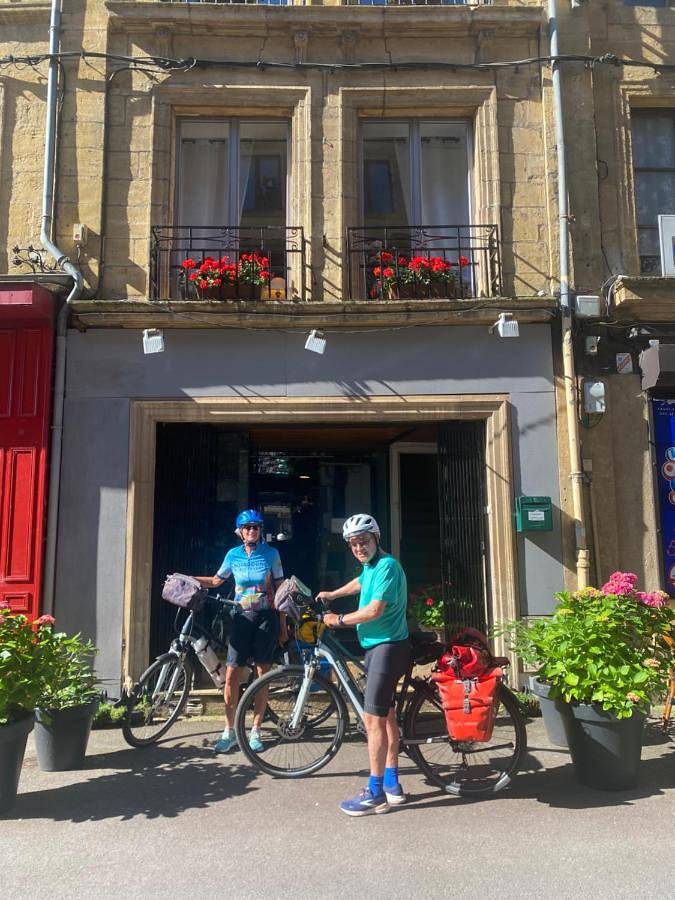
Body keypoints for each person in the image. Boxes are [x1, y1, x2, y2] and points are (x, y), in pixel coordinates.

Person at [317, 513, 410, 816]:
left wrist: (338, 620)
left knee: (373, 722)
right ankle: (393, 784)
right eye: (354, 543)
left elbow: (373, 610)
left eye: (363, 541)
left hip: (386, 649)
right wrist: (334, 593)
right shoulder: (372, 567)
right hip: (377, 648)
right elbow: (360, 583)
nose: (358, 547)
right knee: (388, 716)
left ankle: (375, 793)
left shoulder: (387, 566)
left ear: (376, 539)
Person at [194, 509, 285, 754]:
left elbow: (280, 590)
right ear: (240, 531)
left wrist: (284, 626)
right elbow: (216, 581)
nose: (252, 531)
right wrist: (188, 578)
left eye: (256, 527)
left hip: (266, 618)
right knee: (232, 673)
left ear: (260, 530)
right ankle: (230, 730)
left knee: (261, 674)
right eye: (248, 527)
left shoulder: (271, 554)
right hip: (241, 619)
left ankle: (255, 729)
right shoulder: (233, 555)